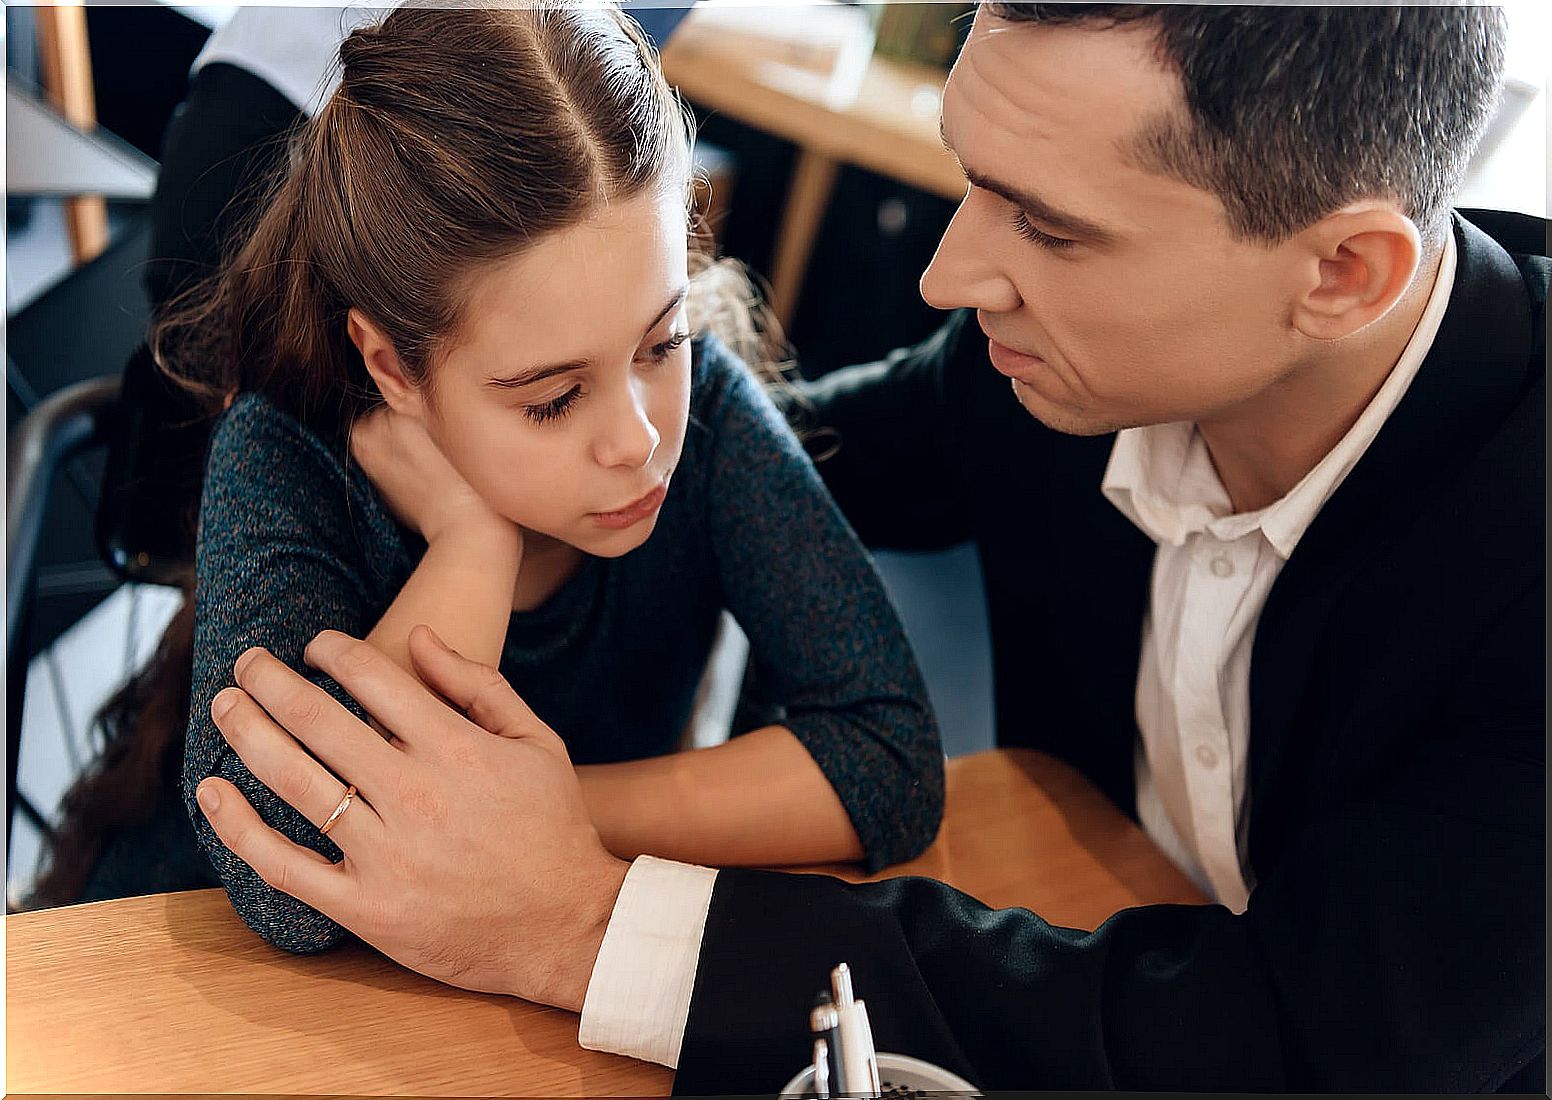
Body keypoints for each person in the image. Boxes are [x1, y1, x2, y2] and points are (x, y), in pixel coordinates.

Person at [192, 1, 1544, 1091]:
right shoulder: (1052, 369)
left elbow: (1296, 1050)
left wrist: (582, 910)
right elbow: (767, 459)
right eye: (976, 184)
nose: (946, 277)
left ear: (1342, 274)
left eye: (1051, 227)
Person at [69, 4, 949, 949]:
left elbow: (891, 759)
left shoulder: (714, 417)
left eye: (664, 340)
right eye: (552, 401)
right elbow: (287, 885)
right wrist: (471, 539)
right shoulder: (287, 449)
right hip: (203, 986)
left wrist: (541, 822)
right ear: (391, 368)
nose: (639, 437)